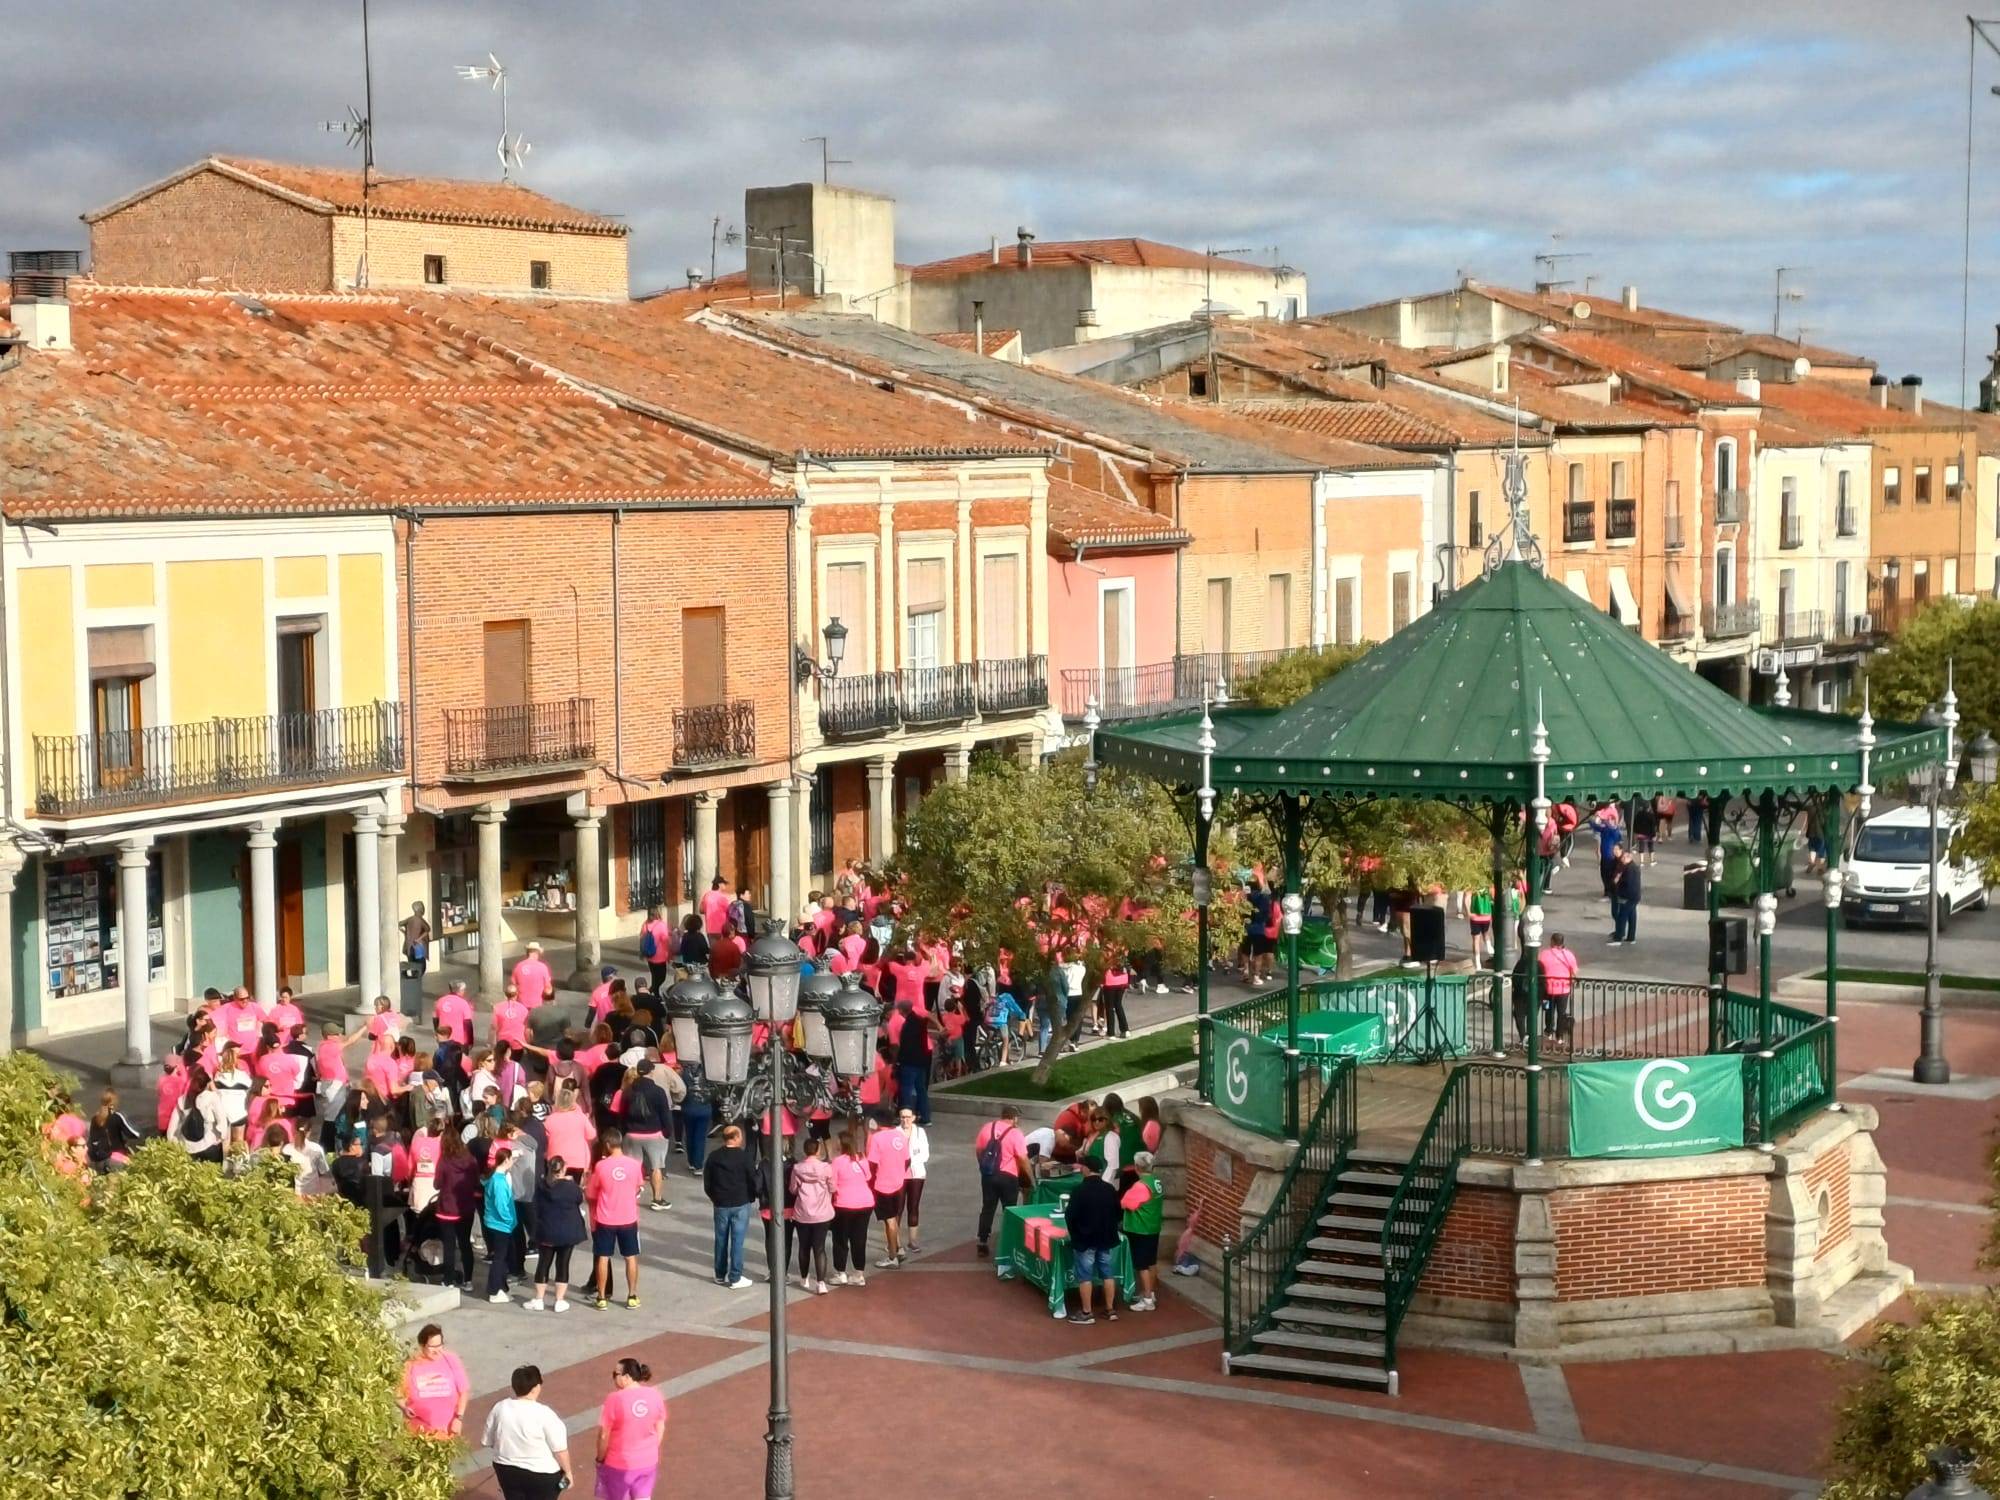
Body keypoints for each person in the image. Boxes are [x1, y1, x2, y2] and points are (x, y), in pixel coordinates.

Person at [483, 1364, 573, 1500]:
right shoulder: (545, 1414)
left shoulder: (500, 1408)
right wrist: (568, 1473)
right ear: (536, 1387)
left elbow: (487, 1441)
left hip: (506, 1471)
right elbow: (560, 1450)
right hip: (542, 1475)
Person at [596, 1358, 668, 1500]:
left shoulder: (614, 1399)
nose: (614, 1378)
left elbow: (604, 1435)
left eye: (615, 1374)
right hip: (648, 1461)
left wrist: (600, 1458)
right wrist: (652, 1448)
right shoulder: (655, 1394)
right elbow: (661, 1426)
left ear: (627, 1377)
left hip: (619, 1464)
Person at [588, 1130, 645, 1310]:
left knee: (603, 1257)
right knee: (631, 1257)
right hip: (628, 1217)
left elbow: (591, 1192)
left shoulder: (601, 1166)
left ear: (606, 1145)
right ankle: (632, 1295)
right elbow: (639, 1186)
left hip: (606, 1218)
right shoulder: (634, 1165)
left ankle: (602, 1297)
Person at [526, 1154, 587, 1312]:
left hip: (547, 1231)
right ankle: (559, 1300)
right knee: (563, 1264)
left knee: (543, 1264)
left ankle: (539, 1299)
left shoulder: (541, 1186)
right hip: (567, 1231)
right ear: (564, 1169)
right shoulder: (571, 1187)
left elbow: (535, 1206)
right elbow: (579, 1199)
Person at [703, 1123, 760, 1289]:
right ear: (735, 1138)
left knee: (720, 1239)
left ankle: (719, 1274)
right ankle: (735, 1276)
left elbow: (708, 1182)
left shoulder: (714, 1157)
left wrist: (715, 1197)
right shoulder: (744, 1157)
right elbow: (753, 1179)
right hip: (740, 1202)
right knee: (737, 1240)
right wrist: (752, 1196)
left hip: (721, 1203)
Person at [1064, 1168, 1123, 1325]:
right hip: (1106, 1238)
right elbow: (1119, 1213)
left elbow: (1070, 1216)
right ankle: (1110, 1310)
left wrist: (1075, 1234)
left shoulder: (1078, 1190)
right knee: (1108, 1274)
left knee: (1085, 1276)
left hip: (1085, 1240)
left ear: (1086, 1169)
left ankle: (1087, 1312)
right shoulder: (1110, 1189)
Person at [619, 1060, 679, 1212]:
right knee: (656, 1167)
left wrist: (624, 1131)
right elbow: (665, 1114)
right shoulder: (658, 1091)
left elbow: (622, 1114)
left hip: (632, 1133)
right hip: (654, 1133)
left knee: (632, 1167)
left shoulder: (628, 1091)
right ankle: (657, 1199)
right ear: (651, 1071)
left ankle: (629, 1196)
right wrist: (667, 1132)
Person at [973, 1104, 1029, 1256]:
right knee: (1009, 1210)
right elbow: (1023, 1159)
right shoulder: (1016, 1133)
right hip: (1008, 1177)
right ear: (1014, 1118)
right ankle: (1008, 1243)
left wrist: (983, 1167)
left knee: (988, 1208)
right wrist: (1029, 1178)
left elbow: (979, 1150)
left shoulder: (987, 1128)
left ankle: (982, 1242)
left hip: (989, 1175)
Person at [401, 1324, 469, 1440]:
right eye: (432, 1347)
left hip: (446, 1432)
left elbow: (464, 1391)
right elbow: (398, 1394)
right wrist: (403, 1407)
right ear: (422, 1345)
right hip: (418, 1433)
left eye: (440, 1345)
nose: (437, 1350)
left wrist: (459, 1418)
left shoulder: (451, 1360)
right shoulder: (411, 1365)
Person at [1120, 1151, 1165, 1312]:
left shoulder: (1140, 1186)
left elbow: (1126, 1204)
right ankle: (1150, 1293)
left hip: (1140, 1229)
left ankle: (1147, 1299)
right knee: (1151, 1262)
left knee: (1142, 1265)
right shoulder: (1156, 1181)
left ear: (1137, 1167)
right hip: (1153, 1227)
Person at [790, 1135, 835, 1293]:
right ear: (818, 1150)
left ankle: (804, 1278)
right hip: (822, 1213)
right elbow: (833, 1187)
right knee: (819, 1248)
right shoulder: (826, 1168)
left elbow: (793, 1189)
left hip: (802, 1213)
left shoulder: (797, 1168)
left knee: (804, 1246)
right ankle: (821, 1283)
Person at [434, 1128, 477, 1290]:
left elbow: (437, 1184)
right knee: (465, 1244)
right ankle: (468, 1280)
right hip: (466, 1207)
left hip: (447, 1208)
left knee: (449, 1246)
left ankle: (449, 1279)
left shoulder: (444, 1161)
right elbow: (475, 1182)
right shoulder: (470, 1159)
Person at [829, 1129, 874, 1286]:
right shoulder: (862, 1159)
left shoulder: (837, 1162)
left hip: (844, 1204)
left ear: (842, 1144)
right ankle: (859, 1273)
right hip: (866, 1203)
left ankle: (841, 1272)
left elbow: (832, 1185)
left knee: (840, 1238)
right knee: (859, 1238)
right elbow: (868, 1177)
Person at [865, 1112, 910, 1267]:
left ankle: (892, 1257)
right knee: (894, 1218)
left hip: (882, 1185)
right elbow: (907, 1160)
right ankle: (898, 1248)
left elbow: (872, 1163)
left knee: (889, 1221)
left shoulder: (877, 1138)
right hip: (898, 1183)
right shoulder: (900, 1136)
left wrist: (870, 1182)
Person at [482, 1144, 519, 1303]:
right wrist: (509, 1220)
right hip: (500, 1225)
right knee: (500, 1259)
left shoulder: (496, 1177)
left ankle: (501, 1288)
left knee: (502, 1258)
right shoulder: (499, 1181)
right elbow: (501, 1205)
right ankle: (494, 1290)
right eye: (511, 1159)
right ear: (506, 1160)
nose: (513, 1162)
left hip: (495, 1224)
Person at [170, 1066, 227, 1163]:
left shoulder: (182, 1100)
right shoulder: (212, 1097)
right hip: (209, 1146)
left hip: (188, 1149)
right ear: (205, 1085)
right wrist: (220, 1138)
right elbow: (222, 1122)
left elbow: (172, 1128)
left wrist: (174, 1142)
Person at [893, 1000, 934, 1127]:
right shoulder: (920, 1022)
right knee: (921, 1089)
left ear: (902, 1011)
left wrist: (898, 1061)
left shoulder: (907, 1026)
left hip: (909, 1062)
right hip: (921, 1061)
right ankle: (926, 1117)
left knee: (906, 1090)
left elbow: (905, 1046)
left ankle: (905, 1116)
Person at [897, 1106, 930, 1254]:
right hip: (899, 1175)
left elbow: (925, 1154)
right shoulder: (895, 1133)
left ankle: (913, 1241)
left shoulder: (920, 1132)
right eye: (903, 1117)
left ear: (914, 1118)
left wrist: (909, 1160)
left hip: (916, 1175)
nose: (905, 1120)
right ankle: (895, 1242)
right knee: (898, 1208)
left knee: (914, 1206)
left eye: (908, 1117)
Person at [1537, 931, 1580, 1045]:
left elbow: (1538, 968)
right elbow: (1574, 971)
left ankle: (1548, 1031)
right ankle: (1559, 1036)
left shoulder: (1544, 954)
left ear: (1552, 941)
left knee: (1547, 1009)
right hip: (1563, 989)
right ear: (1562, 942)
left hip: (1547, 989)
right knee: (1561, 1012)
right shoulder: (1569, 955)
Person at [86, 1088, 141, 1172]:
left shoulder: (95, 1119)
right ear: (114, 1103)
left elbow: (92, 1138)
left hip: (99, 1161)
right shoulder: (117, 1117)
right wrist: (140, 1135)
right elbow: (131, 1133)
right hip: (115, 1159)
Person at [1609, 847, 1641, 947]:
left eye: (1624, 857)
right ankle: (1631, 937)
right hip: (1634, 896)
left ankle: (1618, 938)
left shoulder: (1629, 868)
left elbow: (1628, 883)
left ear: (1629, 857)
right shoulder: (1633, 867)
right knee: (1632, 916)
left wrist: (1618, 880)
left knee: (1622, 917)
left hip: (1628, 897)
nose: (1622, 859)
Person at [640, 904, 674, 992]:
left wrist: (642, 952)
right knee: (662, 977)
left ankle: (655, 993)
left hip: (650, 956)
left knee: (654, 977)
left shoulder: (645, 924)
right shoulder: (661, 925)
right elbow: (666, 941)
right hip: (660, 957)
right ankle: (651, 990)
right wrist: (669, 955)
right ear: (657, 913)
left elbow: (642, 938)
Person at [403, 900, 432, 970]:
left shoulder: (409, 919)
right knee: (421, 967)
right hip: (418, 946)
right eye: (422, 908)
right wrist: (419, 939)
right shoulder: (420, 920)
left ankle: (414, 979)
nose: (423, 910)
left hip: (410, 946)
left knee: (413, 965)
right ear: (420, 910)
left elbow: (400, 924)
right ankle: (417, 979)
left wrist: (405, 932)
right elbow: (428, 929)